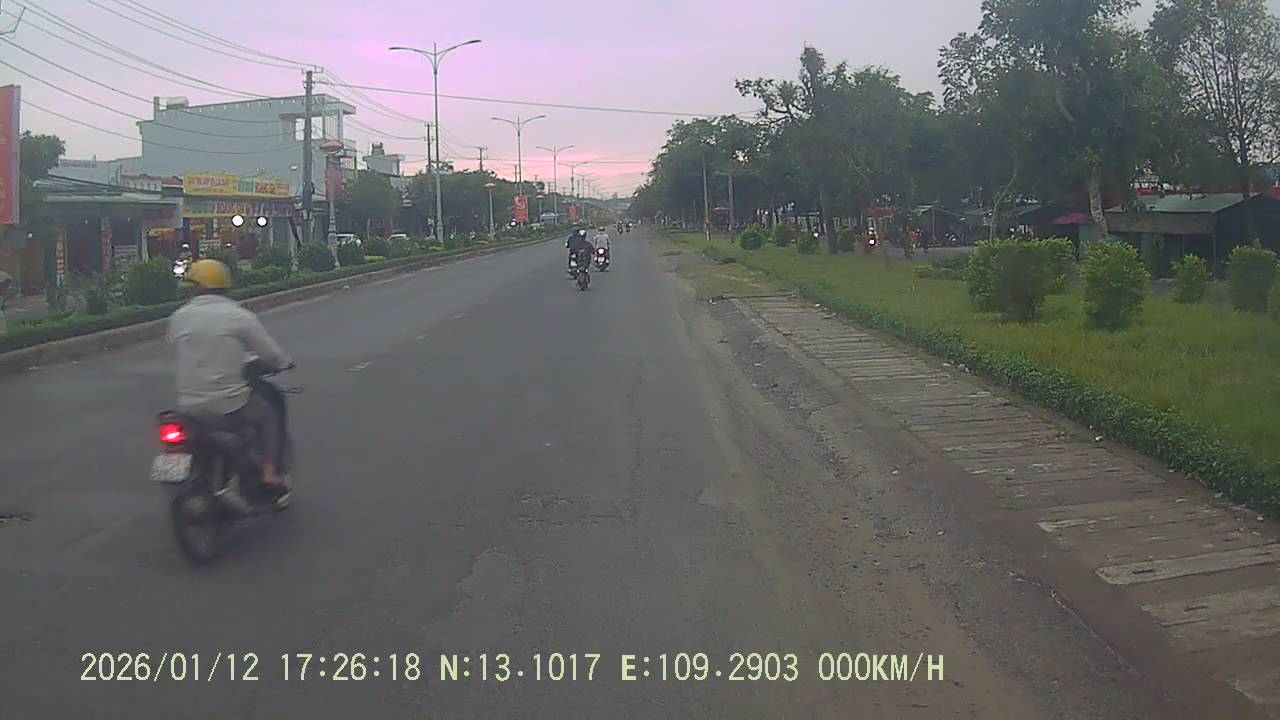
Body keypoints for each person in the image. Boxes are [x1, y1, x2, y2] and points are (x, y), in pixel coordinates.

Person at [167, 259, 294, 499]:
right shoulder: (238, 316)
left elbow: (176, 344)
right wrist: (283, 362)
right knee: (268, 413)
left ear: (195, 287)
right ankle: (269, 473)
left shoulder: (178, 317)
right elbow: (271, 354)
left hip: (187, 407)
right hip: (228, 405)